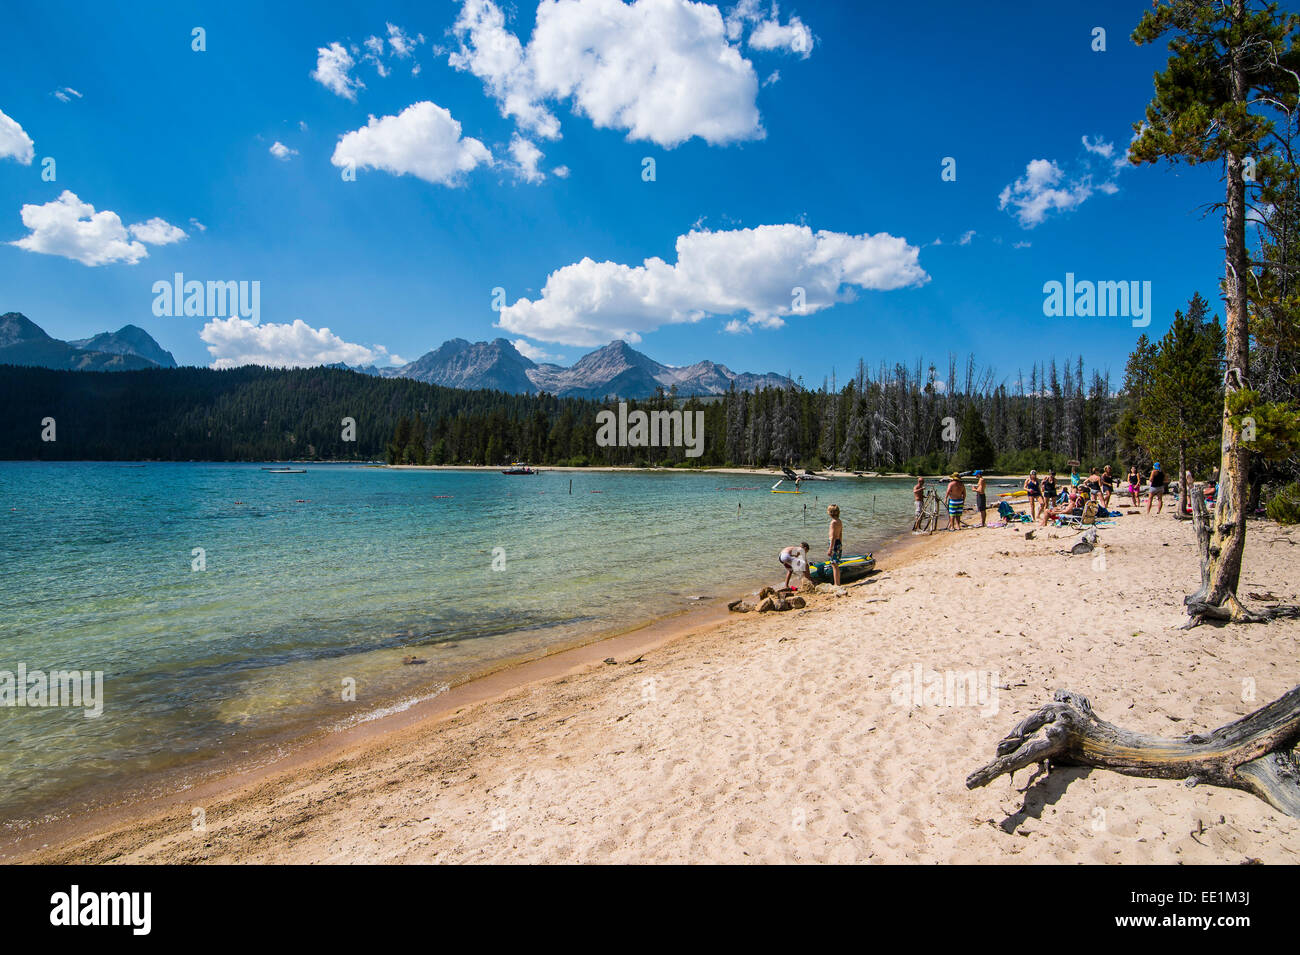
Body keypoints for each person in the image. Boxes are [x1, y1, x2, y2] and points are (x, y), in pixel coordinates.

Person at [826, 505, 843, 586]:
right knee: (836, 565)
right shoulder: (839, 521)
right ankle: (837, 583)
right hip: (838, 543)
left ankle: (837, 584)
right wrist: (840, 544)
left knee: (834, 565)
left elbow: (832, 537)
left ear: (830, 513)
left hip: (834, 543)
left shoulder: (833, 522)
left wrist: (830, 549)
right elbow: (840, 534)